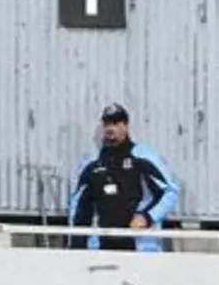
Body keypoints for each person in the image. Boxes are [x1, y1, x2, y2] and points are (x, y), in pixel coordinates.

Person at [66, 103, 180, 252]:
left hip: (140, 248)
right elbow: (78, 204)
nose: (110, 128)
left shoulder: (143, 155)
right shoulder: (92, 162)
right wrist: (76, 245)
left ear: (125, 126)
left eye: (115, 123)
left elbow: (170, 191)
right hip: (101, 248)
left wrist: (147, 217)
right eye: (107, 124)